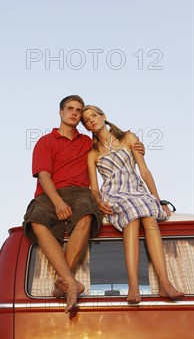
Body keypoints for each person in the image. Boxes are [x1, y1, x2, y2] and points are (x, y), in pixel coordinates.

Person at [22, 95, 144, 312]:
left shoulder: (88, 143)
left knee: (87, 213)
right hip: (49, 193)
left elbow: (113, 145)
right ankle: (70, 282)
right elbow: (43, 176)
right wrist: (58, 203)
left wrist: (135, 146)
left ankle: (64, 282)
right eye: (70, 108)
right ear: (60, 112)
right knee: (36, 220)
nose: (74, 113)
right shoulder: (45, 141)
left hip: (79, 191)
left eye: (78, 110)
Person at [81, 104, 184, 304]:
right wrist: (98, 201)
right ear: (86, 127)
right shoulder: (92, 153)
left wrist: (159, 199)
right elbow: (93, 187)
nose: (91, 120)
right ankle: (133, 285)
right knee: (133, 217)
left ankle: (164, 282)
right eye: (87, 120)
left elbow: (144, 171)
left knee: (150, 216)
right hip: (113, 193)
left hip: (136, 189)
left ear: (104, 116)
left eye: (94, 115)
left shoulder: (128, 138)